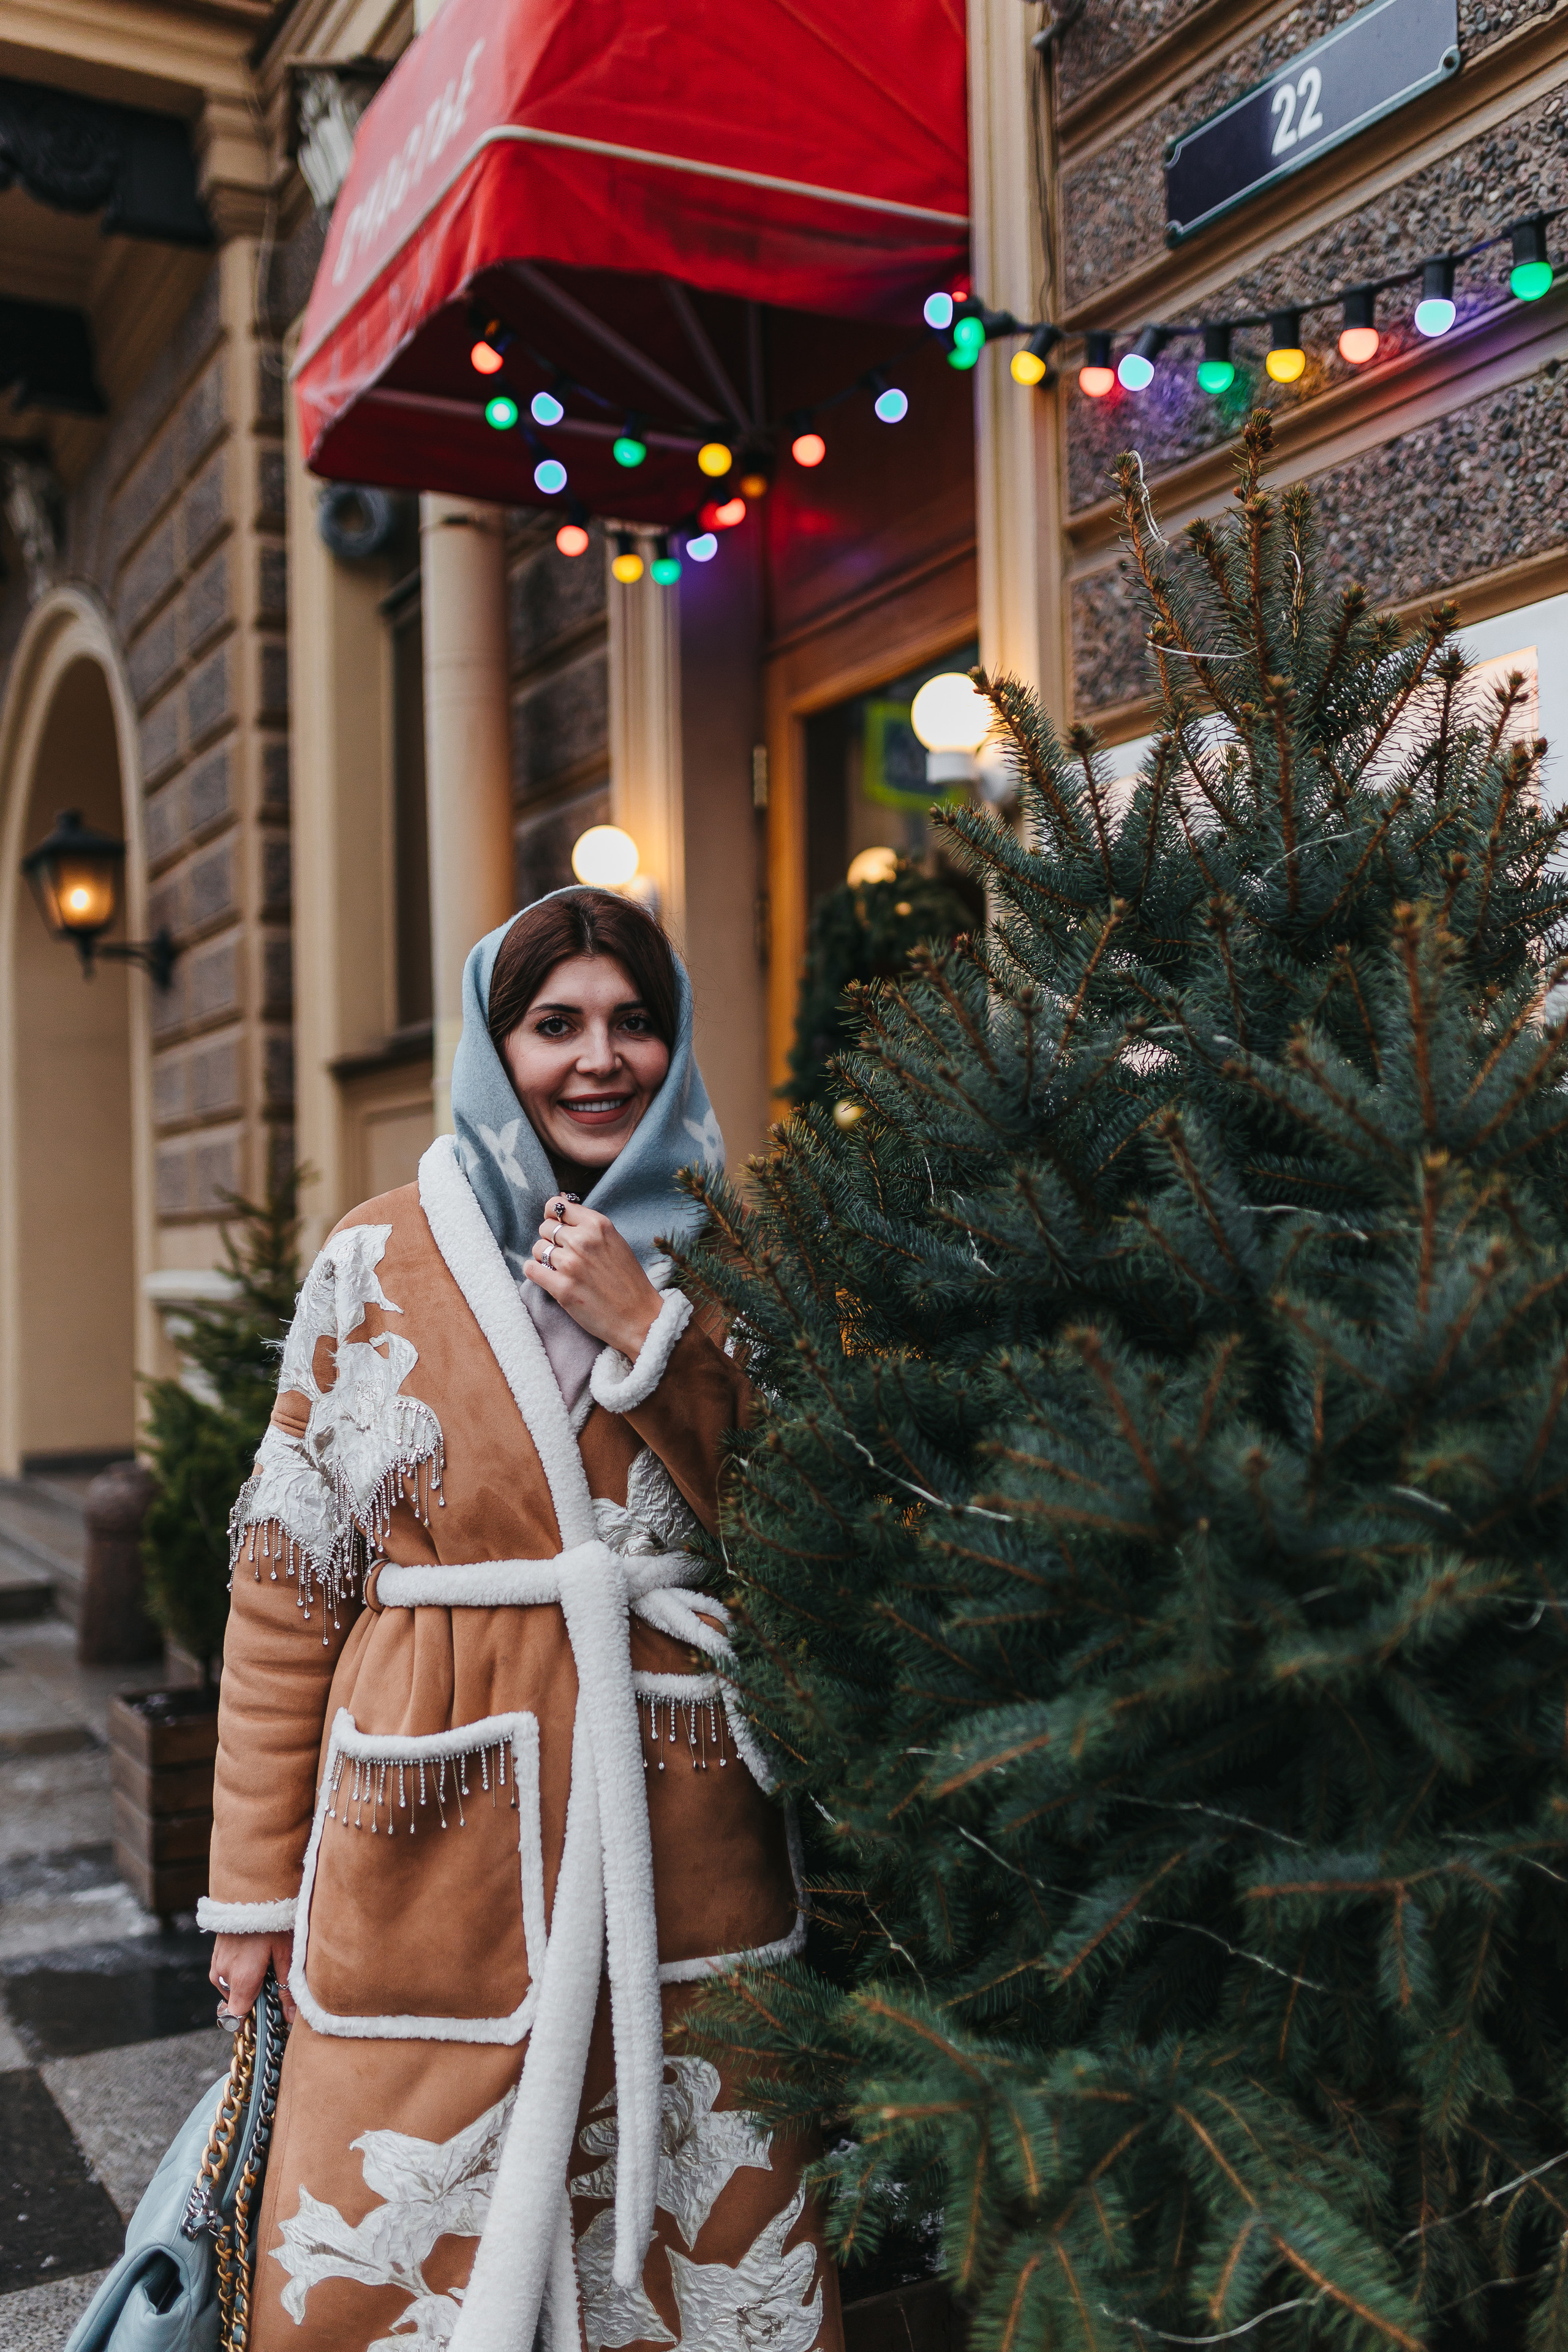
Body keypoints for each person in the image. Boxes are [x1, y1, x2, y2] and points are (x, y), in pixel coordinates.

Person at [199, 888, 839, 2352]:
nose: (597, 1058)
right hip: (421, 1830)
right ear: (498, 1050)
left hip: (676, 1830)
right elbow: (286, 1593)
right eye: (554, 1025)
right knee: (383, 2238)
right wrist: (248, 1897)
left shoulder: (737, 1257)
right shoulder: (372, 1260)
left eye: (633, 1022)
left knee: (692, 2217)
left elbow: (818, 1528)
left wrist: (655, 1336)